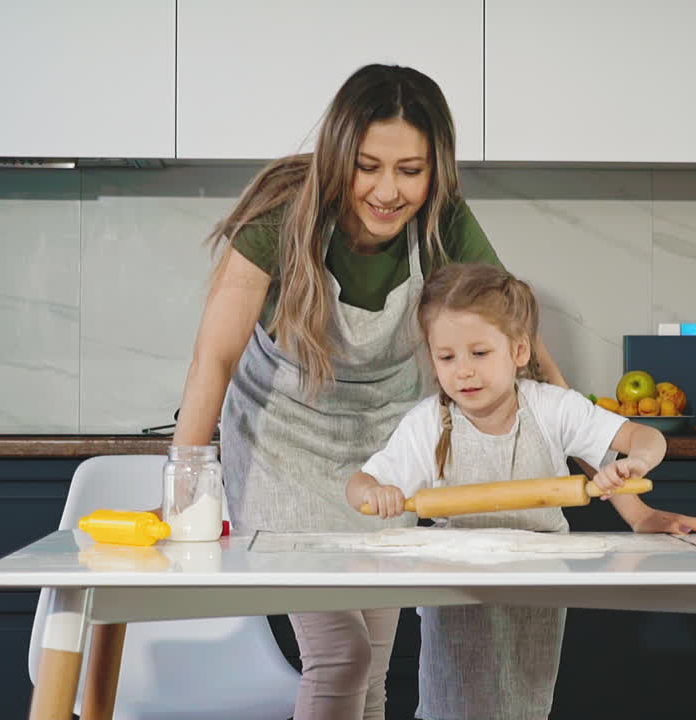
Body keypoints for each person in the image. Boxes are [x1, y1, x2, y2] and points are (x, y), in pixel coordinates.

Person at [170, 63, 504, 720]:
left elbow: (505, 330)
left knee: (373, 668)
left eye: (410, 170)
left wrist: (591, 434)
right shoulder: (281, 214)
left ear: (436, 168)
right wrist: (186, 485)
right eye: (368, 166)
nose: (387, 190)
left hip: (381, 454)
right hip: (281, 451)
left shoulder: (442, 224)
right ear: (337, 154)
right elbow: (214, 355)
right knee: (341, 656)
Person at [345, 263, 696, 720]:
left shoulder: (552, 408)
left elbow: (646, 438)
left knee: (525, 704)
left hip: (538, 586)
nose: (464, 372)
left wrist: (636, 463)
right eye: (446, 357)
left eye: (478, 352)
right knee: (452, 705)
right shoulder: (429, 422)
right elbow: (360, 483)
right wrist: (377, 496)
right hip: (457, 592)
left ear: (517, 350)